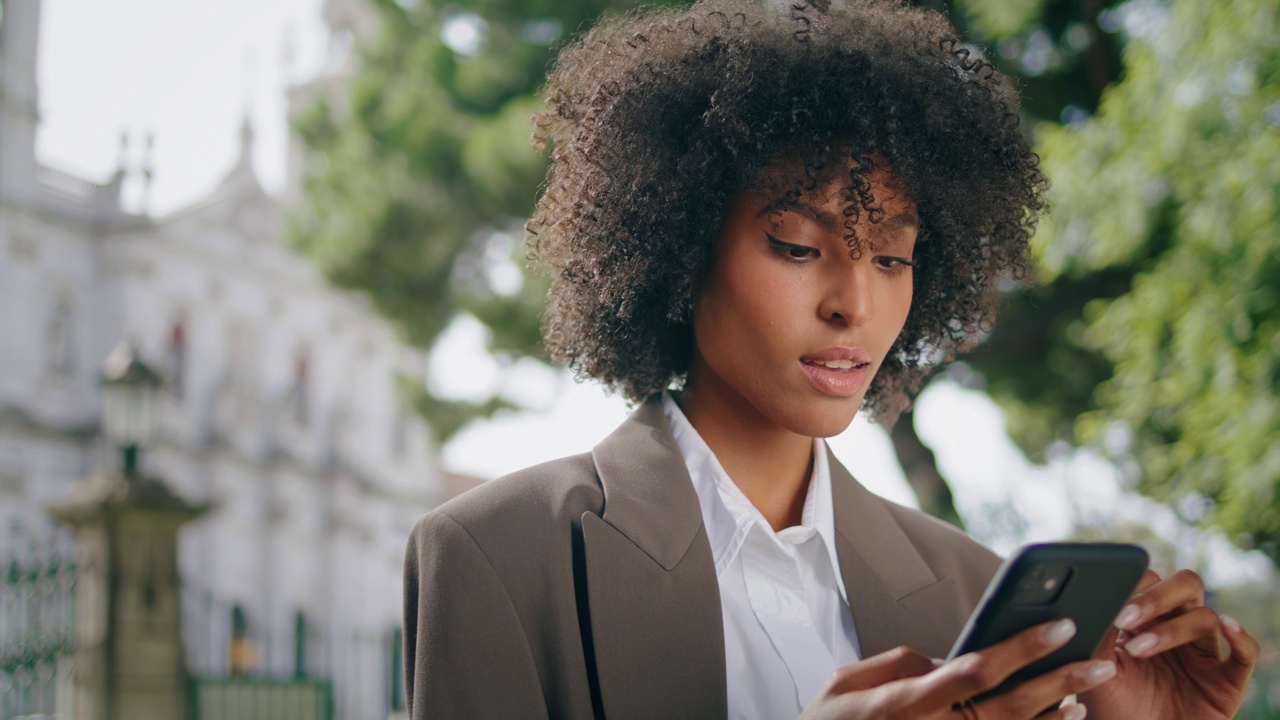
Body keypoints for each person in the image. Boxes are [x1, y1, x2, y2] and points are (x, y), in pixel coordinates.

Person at [402, 0, 1259, 718]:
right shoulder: (498, 558)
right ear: (681, 246)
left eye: (892, 258)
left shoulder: (973, 591)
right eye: (797, 246)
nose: (855, 301)